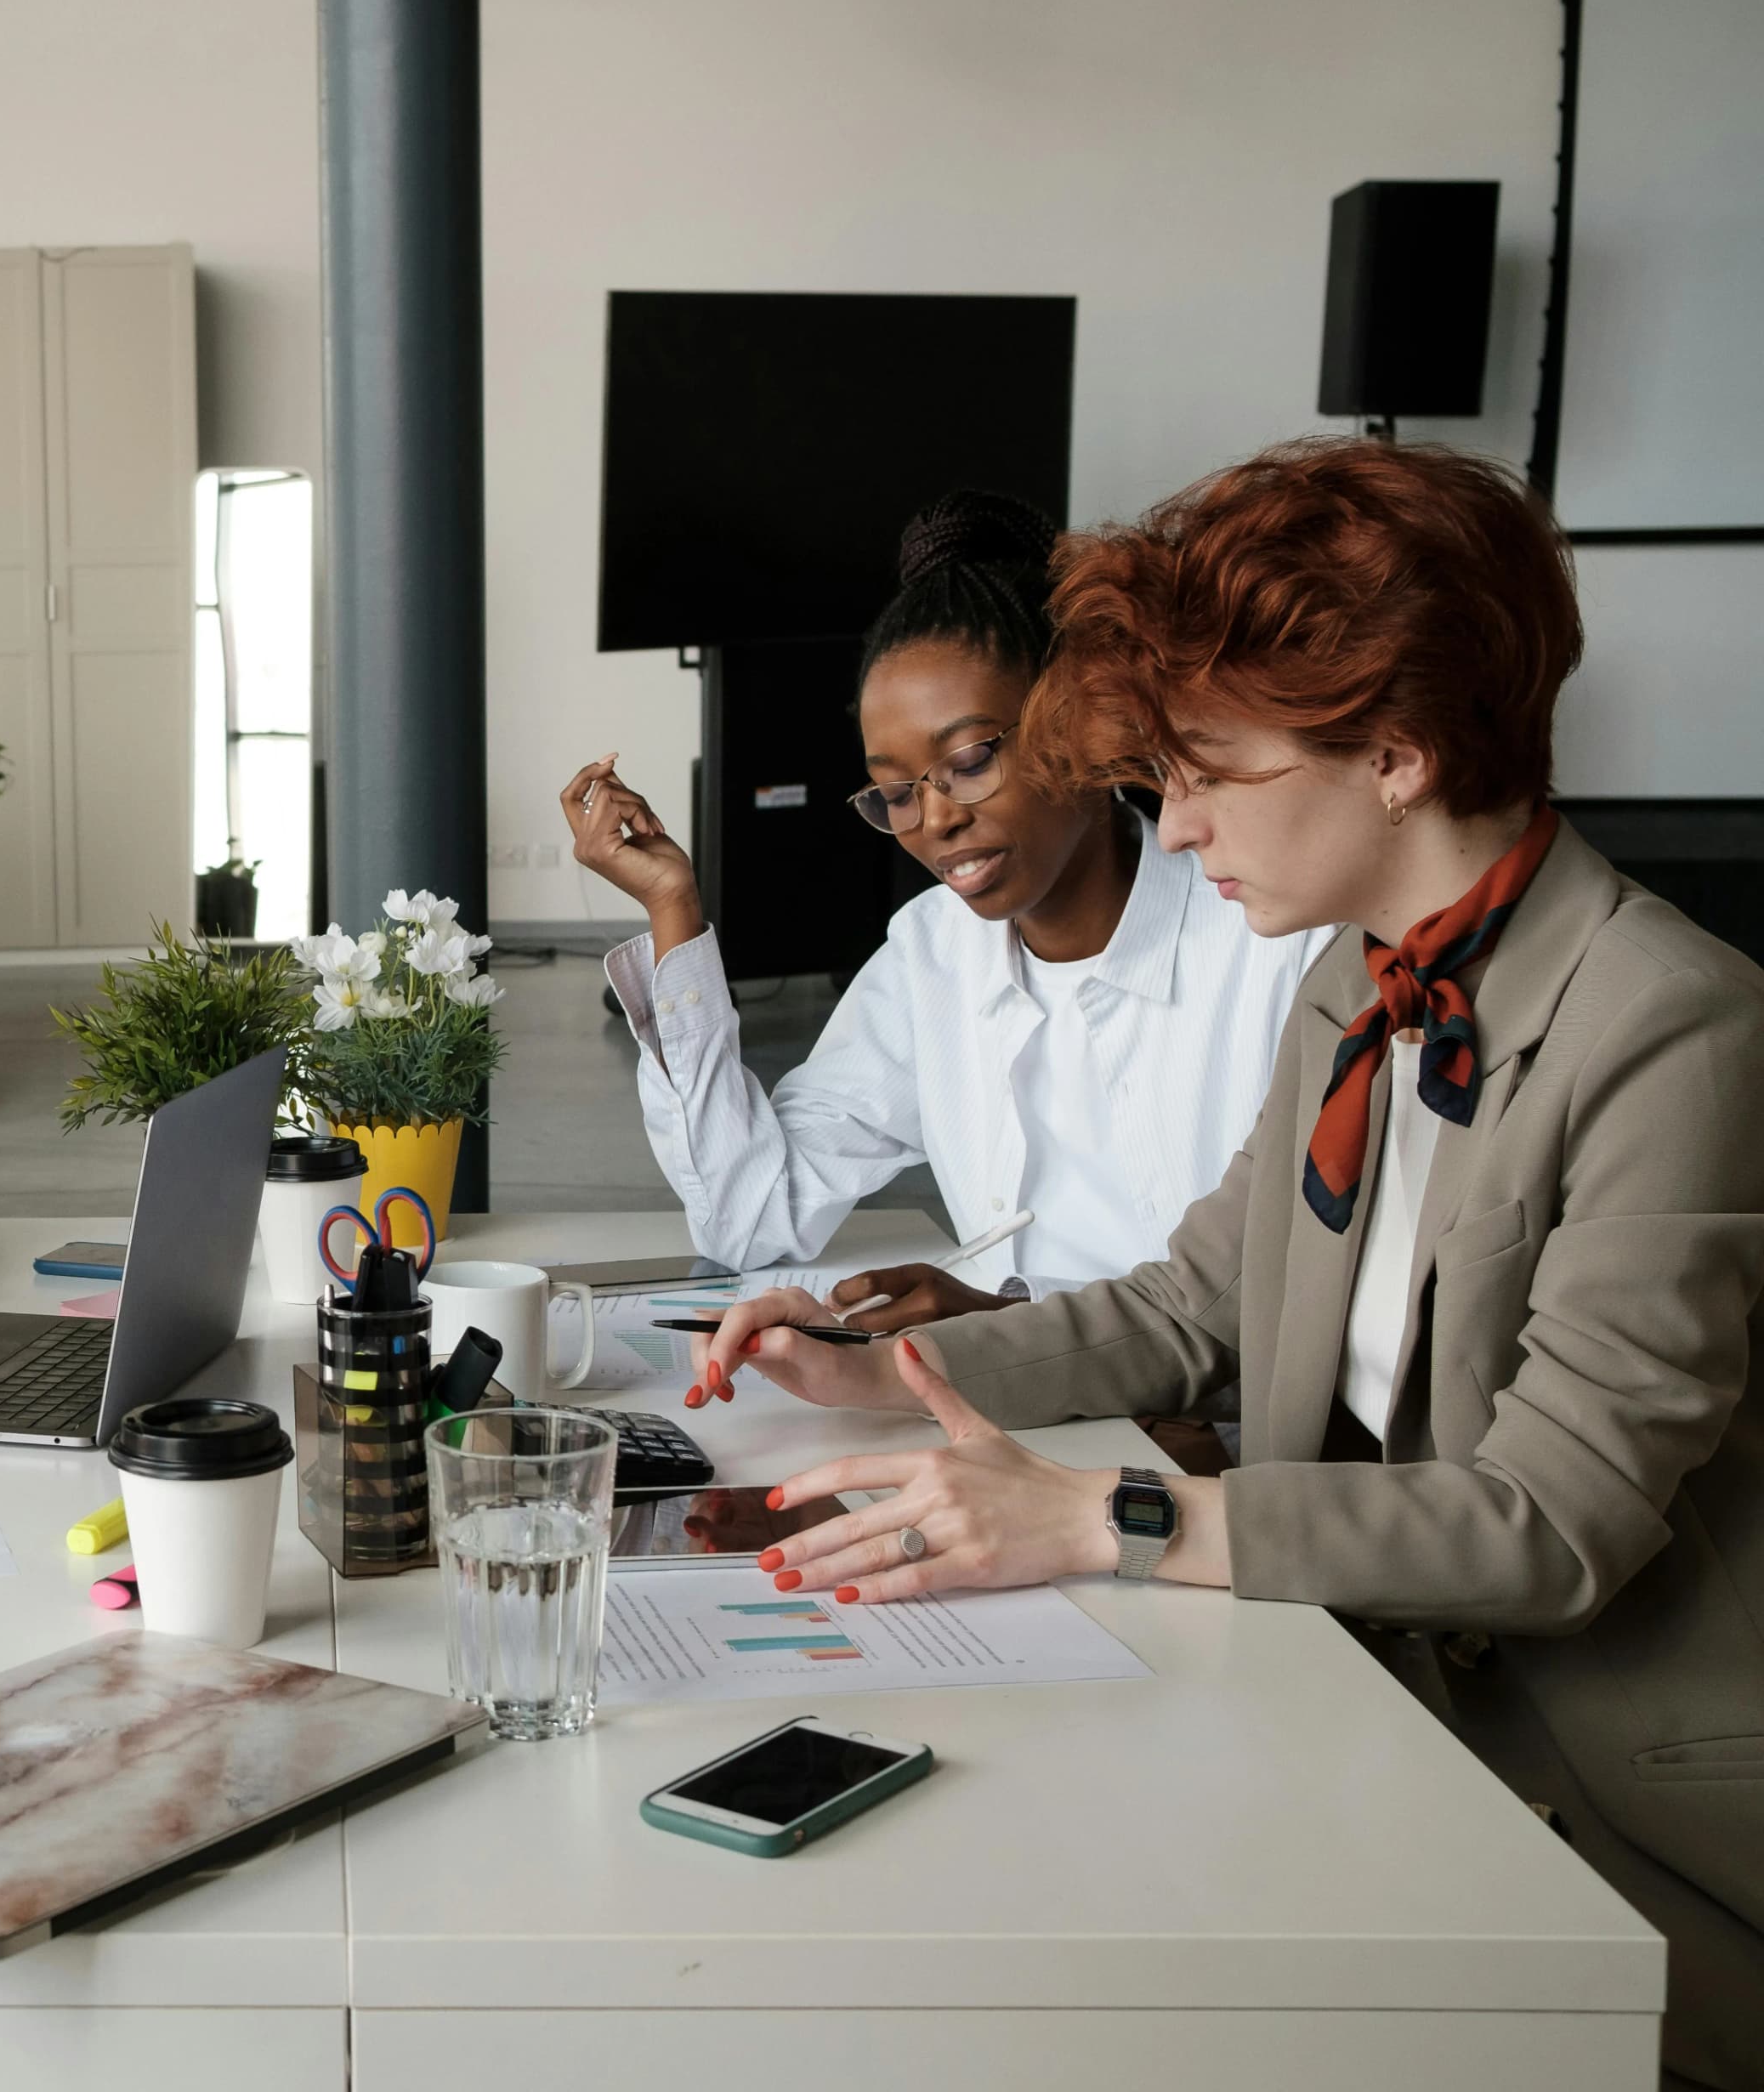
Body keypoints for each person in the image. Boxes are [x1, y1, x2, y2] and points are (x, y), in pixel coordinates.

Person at [697, 439, 1764, 2089]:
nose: (1175, 822)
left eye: (1209, 770)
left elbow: (1549, 1526)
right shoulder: (1357, 975)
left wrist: (1107, 1516)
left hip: (1599, 1797)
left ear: (1396, 752)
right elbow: (1196, 1301)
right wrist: (877, 1370)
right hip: (1339, 1685)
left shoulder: (1672, 1026)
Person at [566, 491, 1328, 1341]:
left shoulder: (1274, 944)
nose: (933, 818)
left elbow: (1306, 1306)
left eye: (968, 761)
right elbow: (750, 1219)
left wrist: (1012, 1327)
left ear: (1086, 722)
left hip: (1210, 1450)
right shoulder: (935, 953)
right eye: (895, 791)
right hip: (1011, 1421)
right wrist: (673, 906)